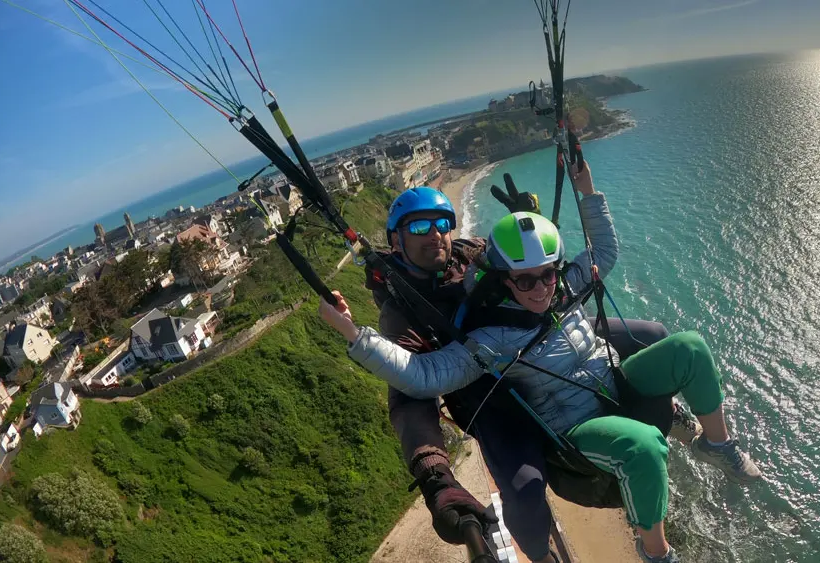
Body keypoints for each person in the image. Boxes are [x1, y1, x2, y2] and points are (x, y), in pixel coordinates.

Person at [323, 163, 762, 562]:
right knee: (601, 461)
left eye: (547, 274)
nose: (539, 287)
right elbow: (421, 378)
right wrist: (355, 335)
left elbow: (597, 251)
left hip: (606, 376)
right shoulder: (478, 333)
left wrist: (581, 191)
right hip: (557, 415)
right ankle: (654, 553)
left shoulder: (521, 272)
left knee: (686, 345)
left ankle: (716, 443)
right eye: (526, 280)